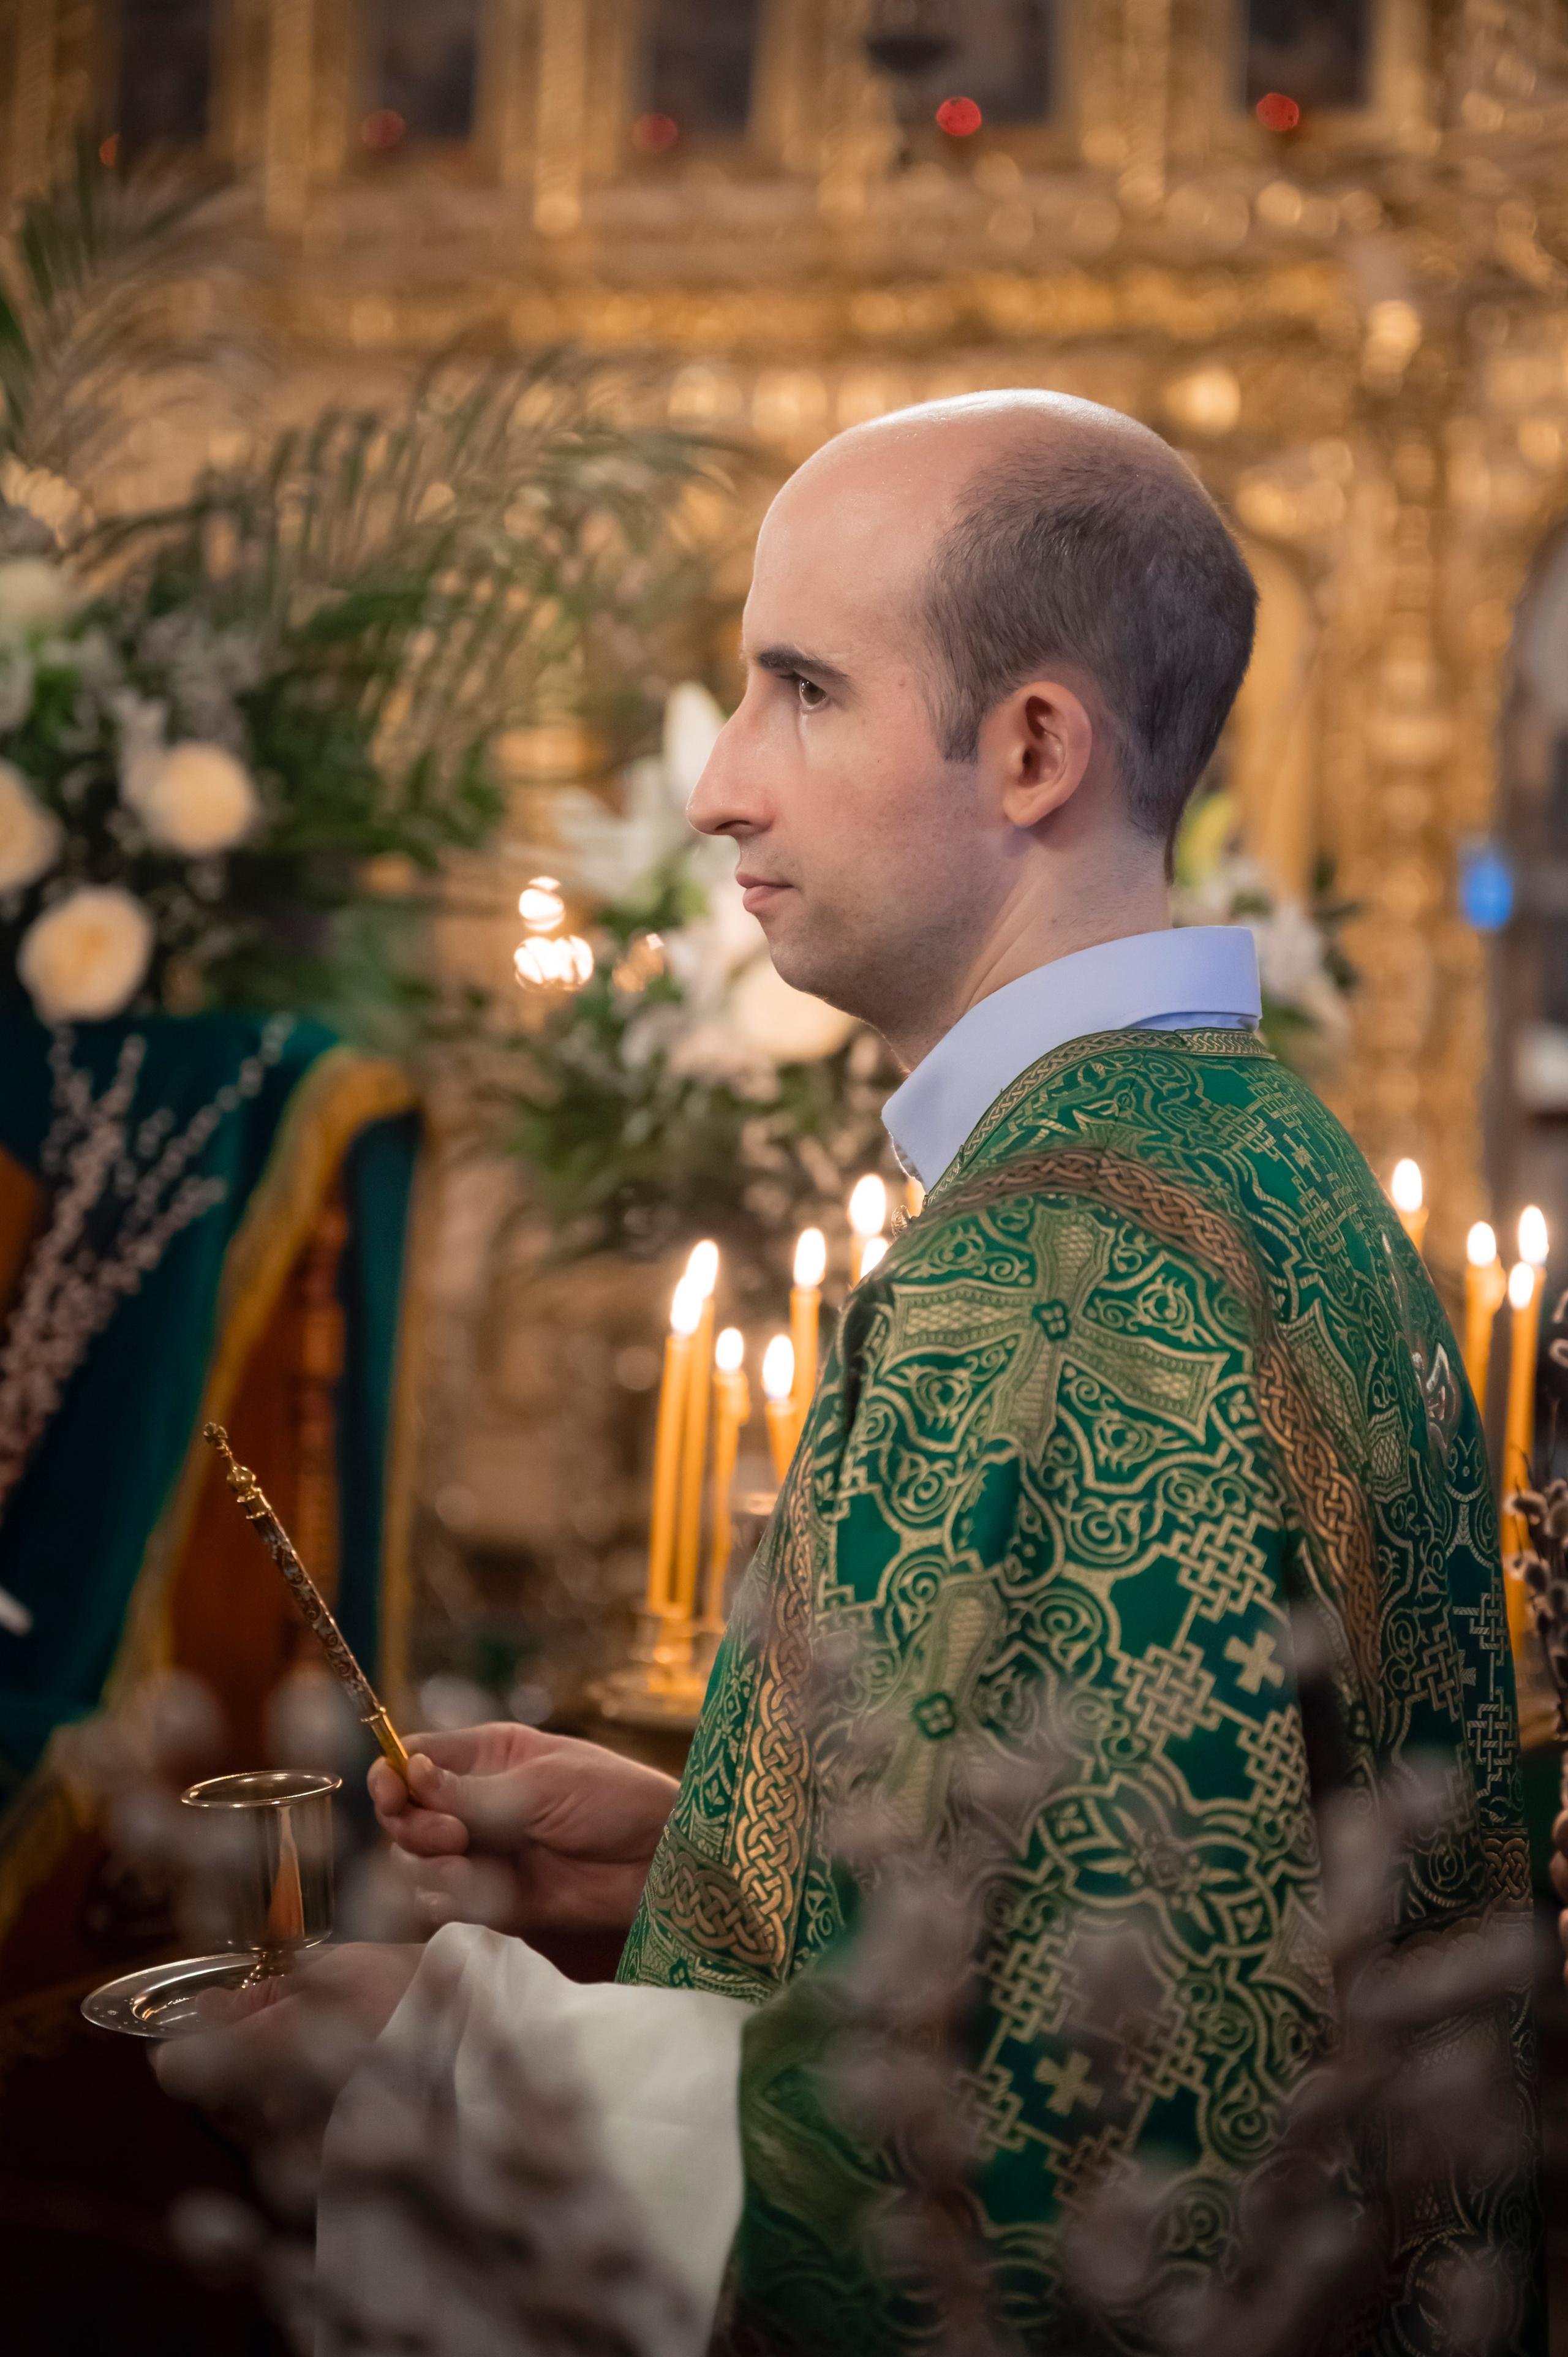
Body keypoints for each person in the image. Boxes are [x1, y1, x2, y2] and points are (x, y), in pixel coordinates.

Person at [159, 393, 1540, 2353]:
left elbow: (1051, 2163)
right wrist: (706, 1843)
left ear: (1036, 747)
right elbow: (1184, 1889)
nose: (722, 782)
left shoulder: (1046, 1274)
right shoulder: (1265, 1161)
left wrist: (443, 2064)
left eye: (801, 688)